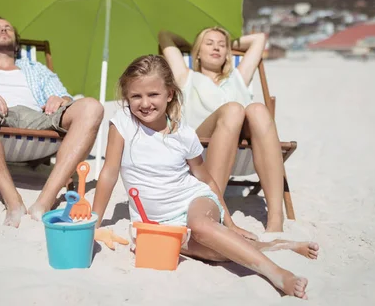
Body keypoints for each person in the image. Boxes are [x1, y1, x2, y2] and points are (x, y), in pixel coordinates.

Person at [92, 55, 318, 299]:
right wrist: (95, 221)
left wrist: (230, 223)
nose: (145, 103)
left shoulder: (184, 134)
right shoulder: (123, 123)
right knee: (214, 252)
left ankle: (278, 274)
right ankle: (277, 246)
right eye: (136, 96)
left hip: (193, 200)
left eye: (153, 95)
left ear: (169, 94)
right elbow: (109, 173)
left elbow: (205, 179)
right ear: (127, 97)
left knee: (201, 227)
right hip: (158, 223)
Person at [0, 17, 103, 228]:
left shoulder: (36, 68)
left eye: (8, 28)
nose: (3, 29)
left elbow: (65, 98)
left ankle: (45, 201)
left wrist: (61, 100)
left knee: (92, 107)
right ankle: (12, 200)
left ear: (16, 44)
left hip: (36, 117)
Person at [158, 27, 288, 232]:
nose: (216, 47)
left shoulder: (238, 77)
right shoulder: (185, 76)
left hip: (241, 151)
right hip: (201, 149)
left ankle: (275, 219)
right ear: (198, 52)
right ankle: (213, 206)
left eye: (221, 45)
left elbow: (259, 39)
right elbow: (165, 35)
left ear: (228, 54)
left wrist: (228, 42)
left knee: (258, 109)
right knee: (234, 110)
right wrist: (193, 43)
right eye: (209, 43)